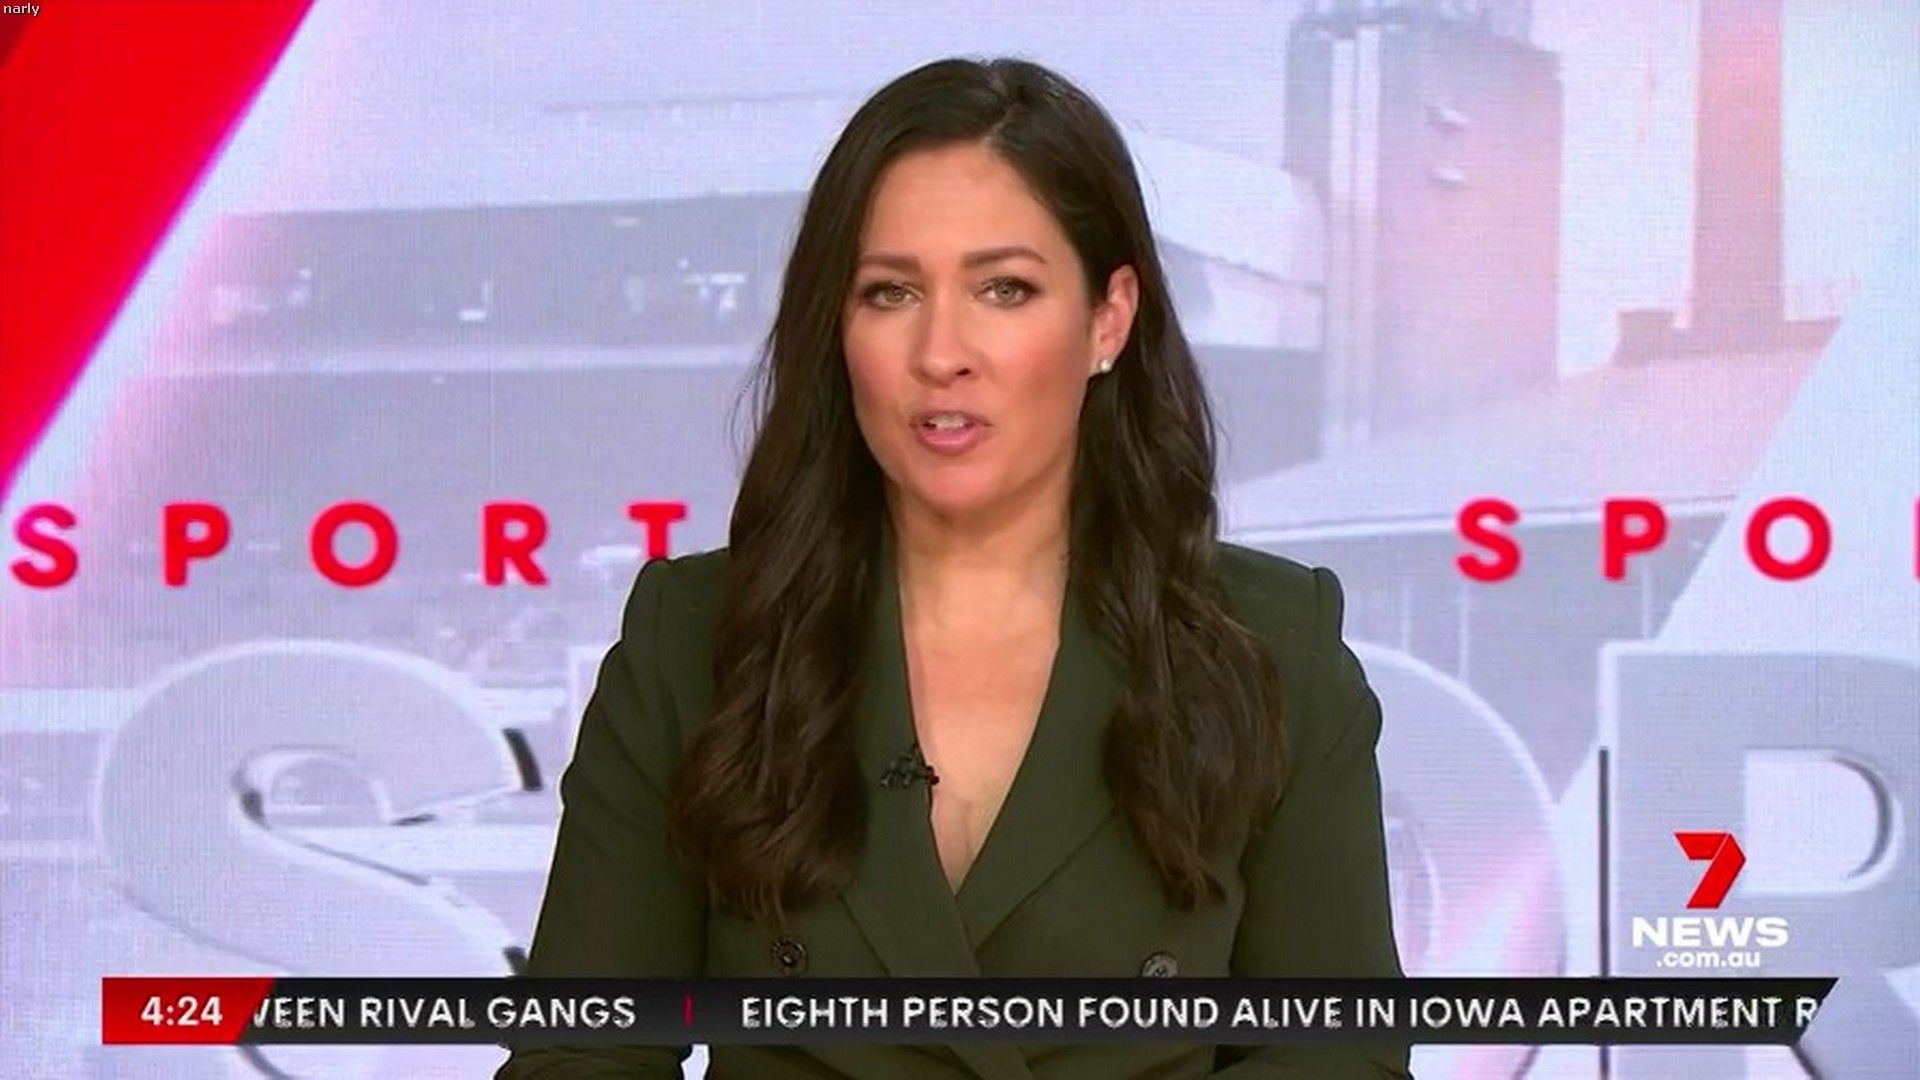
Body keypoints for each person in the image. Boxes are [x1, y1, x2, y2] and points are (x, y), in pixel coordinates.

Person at [498, 56, 1410, 1079]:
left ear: (1108, 319)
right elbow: (581, 1050)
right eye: (890, 292)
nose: (942, 353)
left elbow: (1339, 1060)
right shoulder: (695, 638)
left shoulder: (1273, 644)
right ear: (838, 327)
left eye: (1004, 289)